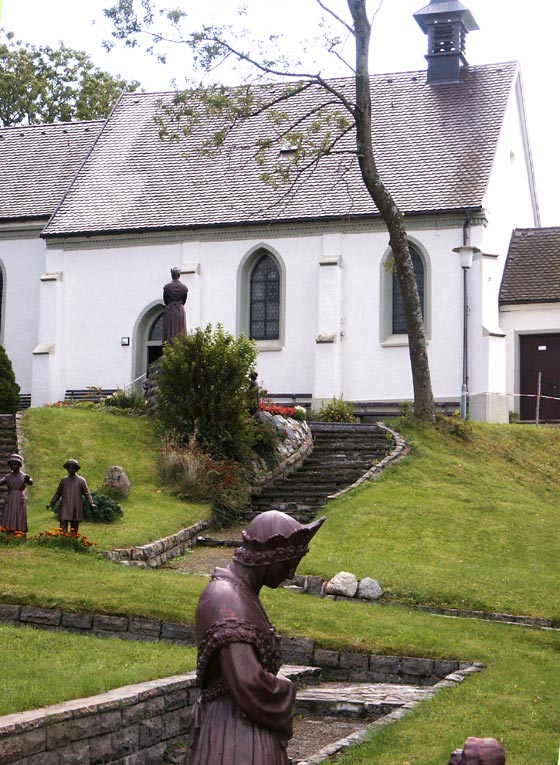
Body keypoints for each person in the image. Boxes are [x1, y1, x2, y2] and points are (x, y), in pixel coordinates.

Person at [187, 510, 325, 765]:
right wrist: (287, 689)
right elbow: (249, 683)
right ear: (270, 559)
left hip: (246, 729)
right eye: (288, 564)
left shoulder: (241, 593)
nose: (291, 574)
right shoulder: (224, 598)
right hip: (235, 736)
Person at [45, 459, 96, 534]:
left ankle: (72, 541)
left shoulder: (81, 481)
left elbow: (86, 493)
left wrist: (91, 503)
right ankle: (63, 540)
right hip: (65, 506)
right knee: (63, 523)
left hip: (76, 506)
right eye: (68, 468)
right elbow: (58, 494)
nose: (70, 469)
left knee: (74, 525)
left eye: (72, 467)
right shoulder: (64, 481)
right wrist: (51, 503)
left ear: (76, 469)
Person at [0, 454, 33, 534]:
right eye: (11, 465)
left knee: (19, 515)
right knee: (9, 514)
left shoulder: (24, 476)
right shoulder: (8, 476)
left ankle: (20, 532)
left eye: (15, 464)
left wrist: (28, 480)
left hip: (19, 498)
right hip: (10, 497)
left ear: (19, 465)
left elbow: (30, 482)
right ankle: (8, 532)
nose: (13, 466)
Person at [163, 266, 188, 342]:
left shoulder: (167, 287)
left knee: (169, 331)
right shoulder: (184, 288)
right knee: (180, 330)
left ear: (172, 275)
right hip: (179, 310)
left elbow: (165, 300)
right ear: (179, 275)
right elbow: (184, 301)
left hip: (169, 310)